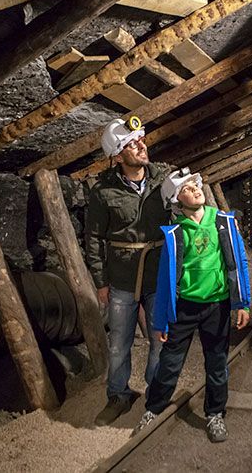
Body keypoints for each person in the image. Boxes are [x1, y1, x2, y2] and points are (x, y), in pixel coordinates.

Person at [132, 168, 251, 443]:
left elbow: (239, 263)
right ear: (177, 200)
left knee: (217, 362)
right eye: (186, 188)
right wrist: (161, 320)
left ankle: (215, 414)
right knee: (170, 362)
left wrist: (242, 302)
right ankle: (153, 409)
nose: (195, 189)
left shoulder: (223, 222)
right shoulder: (175, 233)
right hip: (185, 307)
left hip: (217, 306)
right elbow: (165, 279)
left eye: (195, 185)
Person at [86, 117, 173, 426]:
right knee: (119, 342)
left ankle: (156, 393)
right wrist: (101, 281)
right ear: (118, 155)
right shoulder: (102, 192)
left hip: (157, 274)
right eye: (132, 144)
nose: (141, 146)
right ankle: (118, 396)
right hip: (122, 278)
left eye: (141, 140)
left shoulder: (164, 181)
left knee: (159, 338)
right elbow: (94, 239)